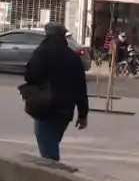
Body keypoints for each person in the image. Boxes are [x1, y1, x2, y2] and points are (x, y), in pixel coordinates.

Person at [22, 22, 89, 163]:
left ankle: (55, 178)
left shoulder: (42, 52)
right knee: (52, 142)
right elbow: (81, 88)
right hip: (65, 110)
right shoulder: (73, 57)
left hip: (45, 107)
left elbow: (30, 75)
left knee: (48, 149)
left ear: (48, 34)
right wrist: (83, 115)